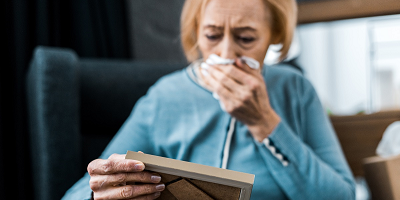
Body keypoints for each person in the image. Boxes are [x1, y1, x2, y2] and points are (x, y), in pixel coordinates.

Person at [62, 0, 356, 199]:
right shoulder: (164, 97)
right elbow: (83, 190)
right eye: (213, 35)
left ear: (273, 37)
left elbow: (341, 195)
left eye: (246, 39)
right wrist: (100, 191)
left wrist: (264, 122)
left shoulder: (296, 91)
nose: (226, 54)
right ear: (196, 33)